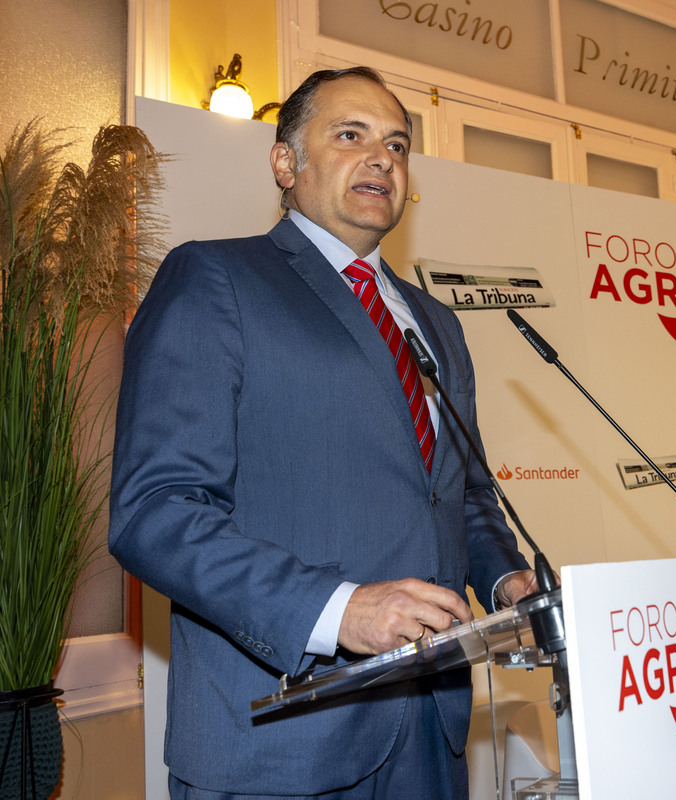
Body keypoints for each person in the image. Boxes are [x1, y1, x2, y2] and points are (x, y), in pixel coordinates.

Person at [109, 66, 538, 799]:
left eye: (397, 145)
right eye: (351, 135)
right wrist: (338, 610)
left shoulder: (437, 323)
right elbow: (156, 512)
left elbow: (461, 494)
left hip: (431, 733)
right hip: (281, 738)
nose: (381, 158)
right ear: (285, 162)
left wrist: (506, 582)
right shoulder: (214, 280)